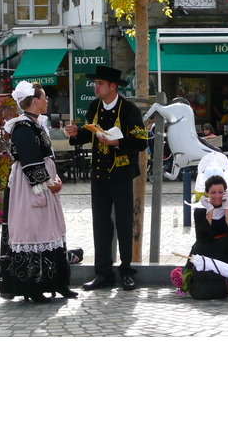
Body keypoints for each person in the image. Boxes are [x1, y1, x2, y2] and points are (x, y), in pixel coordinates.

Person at [66, 65, 148, 291]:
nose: (96, 87)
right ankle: (103, 273)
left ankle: (126, 271)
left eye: (100, 83)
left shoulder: (129, 110)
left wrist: (118, 143)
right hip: (99, 175)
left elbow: (142, 142)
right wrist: (75, 135)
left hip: (121, 175)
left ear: (113, 86)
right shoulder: (94, 107)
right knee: (101, 224)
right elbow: (88, 132)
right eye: (95, 83)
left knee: (124, 224)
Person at [0, 81, 76, 303]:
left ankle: (58, 283)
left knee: (50, 230)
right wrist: (49, 183)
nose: (47, 101)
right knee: (32, 231)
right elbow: (29, 161)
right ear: (35, 101)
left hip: (43, 185)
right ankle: (33, 288)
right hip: (29, 187)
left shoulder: (36, 124)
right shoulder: (22, 127)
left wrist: (54, 180)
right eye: (44, 98)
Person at [187, 174, 228, 271]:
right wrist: (210, 211)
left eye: (220, 192)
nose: (217, 196)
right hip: (208, 247)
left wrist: (226, 210)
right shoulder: (200, 210)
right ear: (207, 192)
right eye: (213, 192)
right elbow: (202, 237)